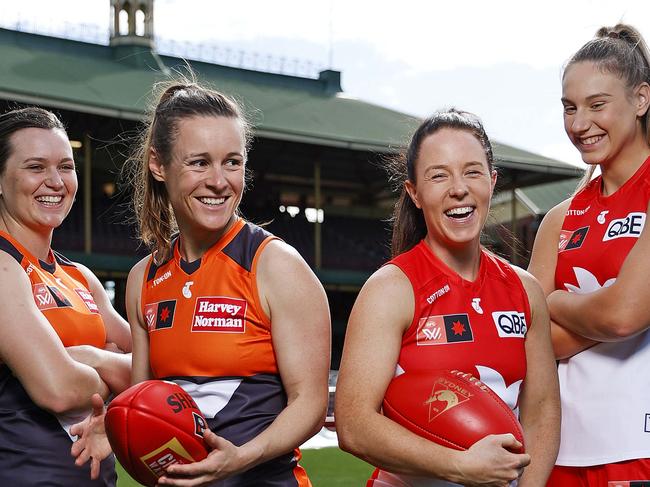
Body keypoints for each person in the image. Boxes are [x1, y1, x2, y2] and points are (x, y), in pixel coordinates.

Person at [74, 80, 330, 486]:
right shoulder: (144, 278)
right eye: (199, 163)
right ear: (159, 164)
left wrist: (241, 458)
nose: (219, 181)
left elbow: (310, 404)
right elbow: (145, 399)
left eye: (232, 162)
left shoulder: (275, 265)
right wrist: (120, 428)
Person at [335, 108, 560, 487]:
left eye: (472, 171)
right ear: (415, 193)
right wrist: (459, 465)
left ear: (492, 182)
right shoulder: (391, 289)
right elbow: (354, 425)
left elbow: (542, 409)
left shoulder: (524, 289)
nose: (459, 188)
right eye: (438, 175)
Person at [527, 23, 650, 485]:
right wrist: (617, 307)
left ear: (641, 100)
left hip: (638, 448)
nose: (579, 124)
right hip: (560, 449)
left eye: (597, 105)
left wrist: (556, 303)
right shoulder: (559, 219)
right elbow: (534, 344)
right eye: (569, 108)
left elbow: (623, 316)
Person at [0, 106, 132, 485]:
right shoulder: (3, 267)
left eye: (66, 166)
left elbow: (158, 367)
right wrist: (114, 367)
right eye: (36, 167)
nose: (55, 181)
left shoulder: (80, 277)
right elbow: (57, 390)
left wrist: (89, 358)